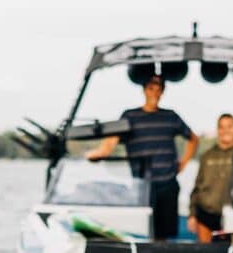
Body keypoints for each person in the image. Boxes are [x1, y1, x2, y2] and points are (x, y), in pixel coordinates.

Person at [85, 73, 199, 239]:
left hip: (168, 184)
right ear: (144, 91)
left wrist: (183, 163)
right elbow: (109, 144)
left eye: (159, 89)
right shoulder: (130, 117)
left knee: (164, 235)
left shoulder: (170, 116)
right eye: (151, 88)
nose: (155, 93)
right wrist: (95, 154)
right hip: (142, 186)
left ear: (162, 92)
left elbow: (193, 139)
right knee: (143, 231)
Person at [188, 113, 233, 243]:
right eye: (221, 127)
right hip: (205, 213)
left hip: (231, 216)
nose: (225, 131)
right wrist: (192, 214)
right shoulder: (207, 156)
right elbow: (197, 187)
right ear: (218, 130)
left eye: (229, 126)